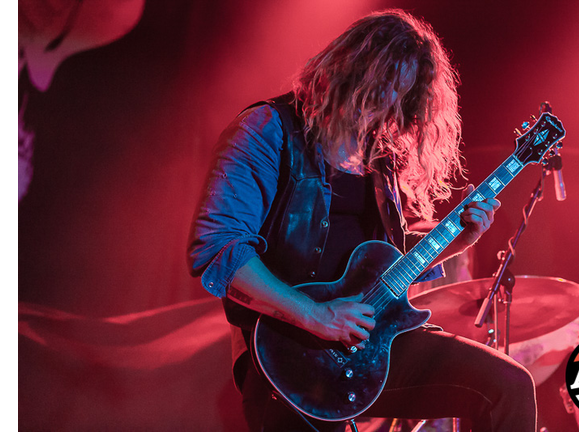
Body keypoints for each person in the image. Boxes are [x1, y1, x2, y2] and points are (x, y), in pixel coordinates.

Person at [187, 9, 536, 432]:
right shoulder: (267, 129)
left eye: (402, 96)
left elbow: (384, 266)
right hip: (285, 356)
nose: (386, 107)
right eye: (379, 89)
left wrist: (458, 240)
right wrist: (314, 315)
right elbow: (219, 247)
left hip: (369, 346)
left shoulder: (381, 160)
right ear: (345, 70)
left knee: (508, 384)